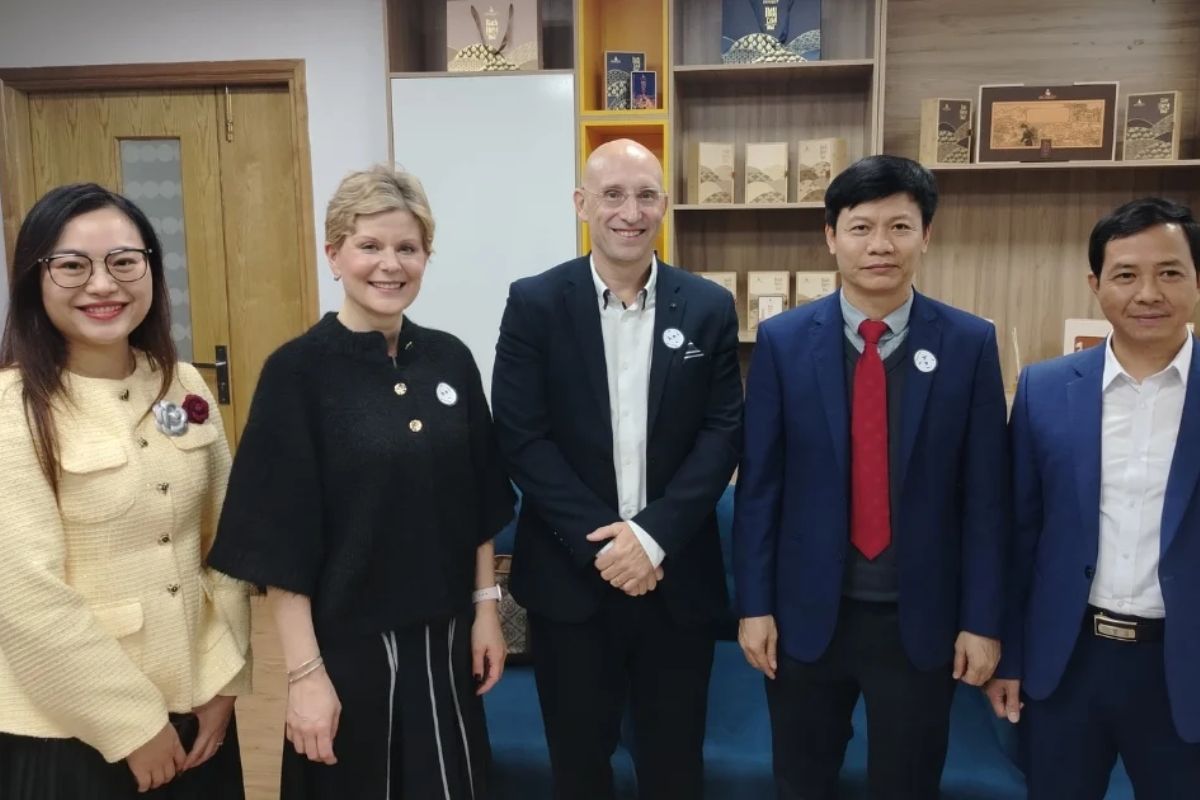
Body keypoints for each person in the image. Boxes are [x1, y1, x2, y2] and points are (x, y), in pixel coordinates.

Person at [207, 165, 515, 799]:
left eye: (407, 247)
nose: (390, 265)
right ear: (334, 254)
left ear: (426, 255)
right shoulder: (296, 374)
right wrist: (305, 676)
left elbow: (478, 499)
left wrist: (489, 613)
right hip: (347, 647)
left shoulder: (450, 358)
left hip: (447, 636)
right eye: (369, 246)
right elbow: (280, 548)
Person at [734, 155, 1009, 799]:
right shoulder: (781, 340)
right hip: (804, 618)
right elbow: (760, 489)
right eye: (860, 227)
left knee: (908, 785)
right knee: (801, 780)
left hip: (922, 621)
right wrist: (755, 605)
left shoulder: (969, 344)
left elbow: (987, 499)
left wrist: (983, 619)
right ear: (831, 236)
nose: (879, 245)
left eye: (899, 227)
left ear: (926, 234)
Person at [491, 139, 743, 800]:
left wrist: (652, 537)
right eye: (612, 194)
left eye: (645, 195)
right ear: (582, 204)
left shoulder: (708, 307)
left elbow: (722, 434)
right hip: (572, 583)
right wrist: (609, 542)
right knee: (578, 769)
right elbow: (522, 436)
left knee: (674, 766)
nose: (630, 211)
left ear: (663, 205)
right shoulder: (536, 304)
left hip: (676, 579)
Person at [0, 183, 251, 798]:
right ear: (36, 278)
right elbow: (24, 597)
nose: (103, 284)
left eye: (123, 261)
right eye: (71, 266)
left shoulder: (182, 386)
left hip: (199, 704)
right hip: (68, 727)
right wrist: (133, 726)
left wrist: (225, 680)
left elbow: (232, 540)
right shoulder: (13, 410)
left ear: (151, 272)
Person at [987, 197, 1200, 799]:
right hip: (1068, 660)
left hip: (1181, 663)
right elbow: (1019, 533)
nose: (1148, 292)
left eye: (1170, 272)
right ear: (1096, 284)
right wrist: (1011, 657)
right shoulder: (1044, 389)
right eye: (1126, 274)